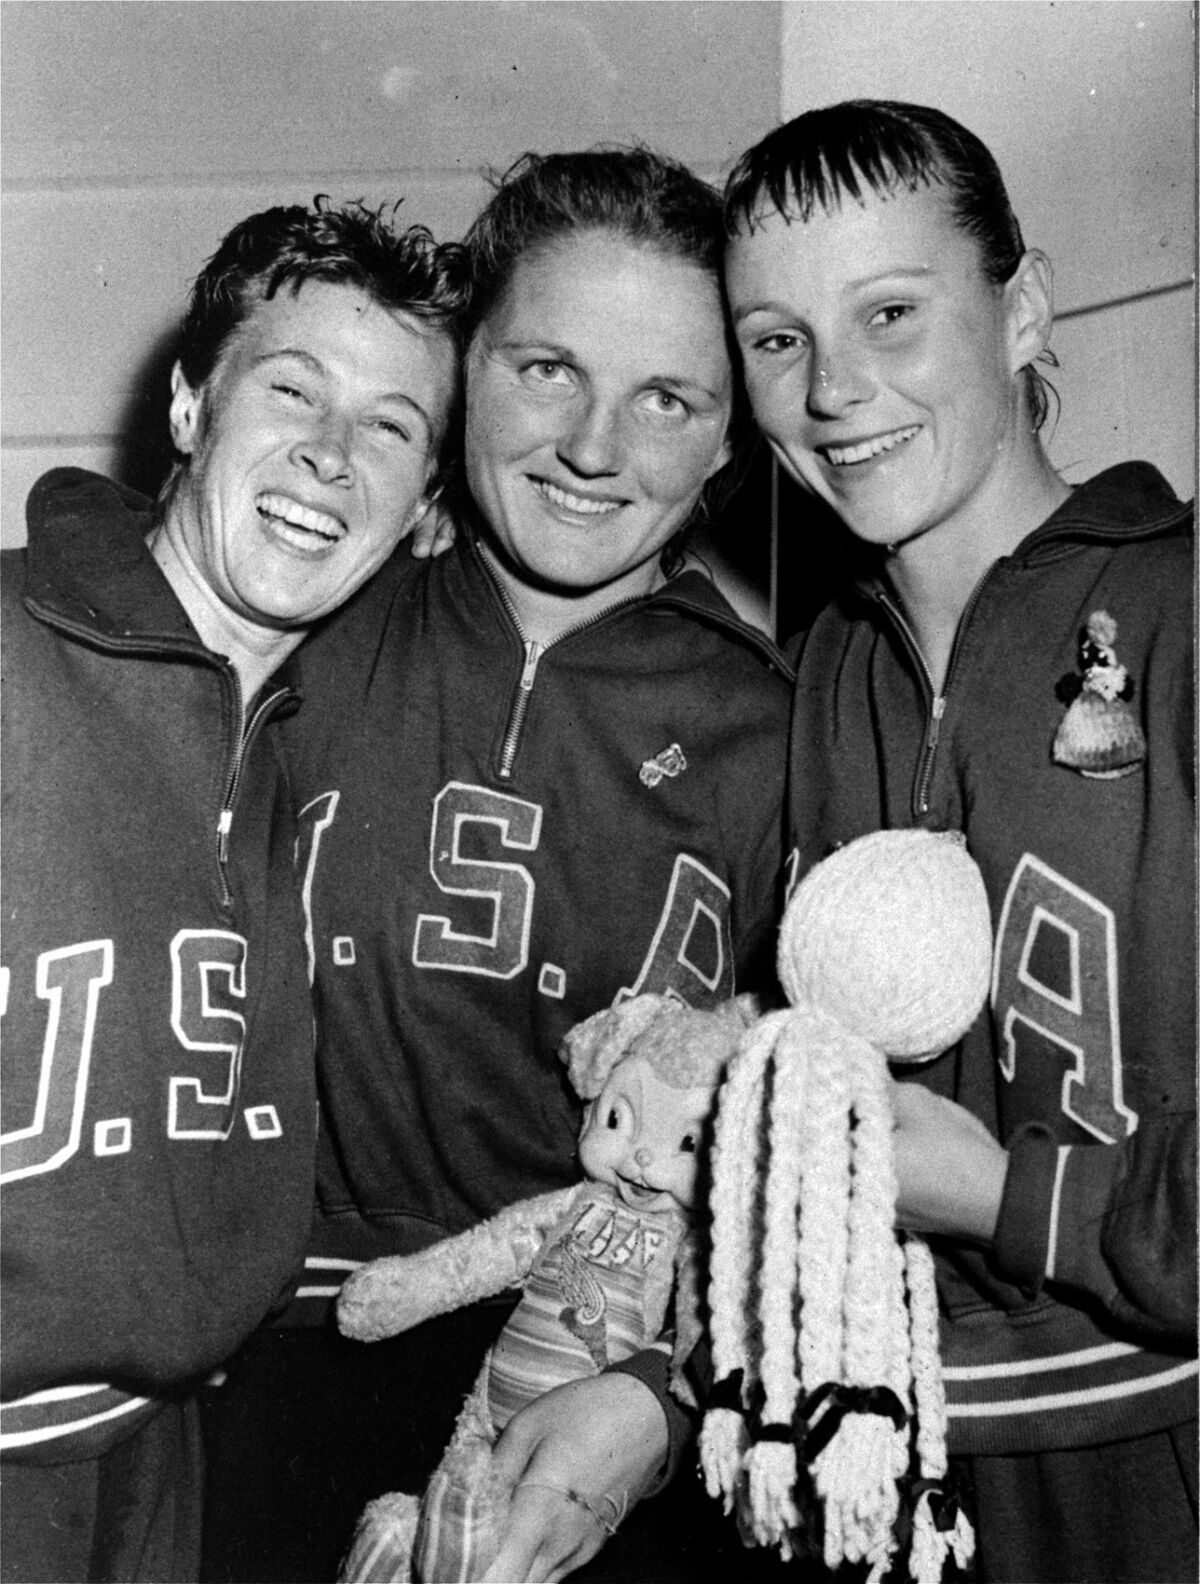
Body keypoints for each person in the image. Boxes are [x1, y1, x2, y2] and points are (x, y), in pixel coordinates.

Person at [199, 148, 794, 1584]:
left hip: (598, 1404)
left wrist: (667, 1396)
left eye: (669, 398)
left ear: (732, 438)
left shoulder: (782, 729)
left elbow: (815, 1181)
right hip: (276, 1370)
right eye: (546, 368)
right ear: (469, 368)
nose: (596, 446)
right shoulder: (306, 620)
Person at [723, 99, 1196, 1582]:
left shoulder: (1182, 618)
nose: (834, 390)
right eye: (775, 340)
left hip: (1156, 1466)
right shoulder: (825, 679)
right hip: (878, 1470)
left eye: (891, 314)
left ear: (1022, 311)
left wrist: (1008, 1197)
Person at [0, 196, 463, 1584]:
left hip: (162, 1463)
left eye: (389, 427)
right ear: (193, 406)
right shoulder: (10, 653)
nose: (330, 454)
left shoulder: (304, 746)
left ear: (425, 506)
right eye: (292, 389)